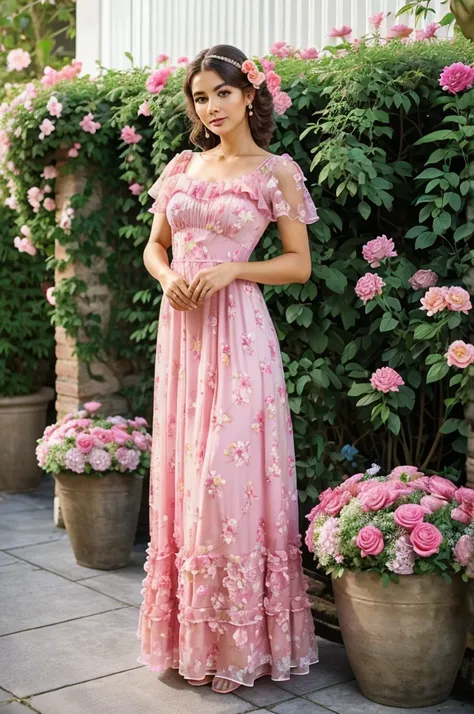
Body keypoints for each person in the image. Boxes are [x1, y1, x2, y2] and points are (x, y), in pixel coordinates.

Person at [137, 43, 319, 695]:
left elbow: (298, 264)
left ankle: (242, 642)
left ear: (249, 94)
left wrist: (234, 268)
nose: (210, 106)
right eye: (199, 96)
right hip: (182, 338)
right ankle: (194, 640)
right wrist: (166, 279)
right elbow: (155, 248)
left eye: (221, 92)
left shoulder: (276, 172)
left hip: (238, 335)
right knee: (187, 483)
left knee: (224, 482)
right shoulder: (182, 167)